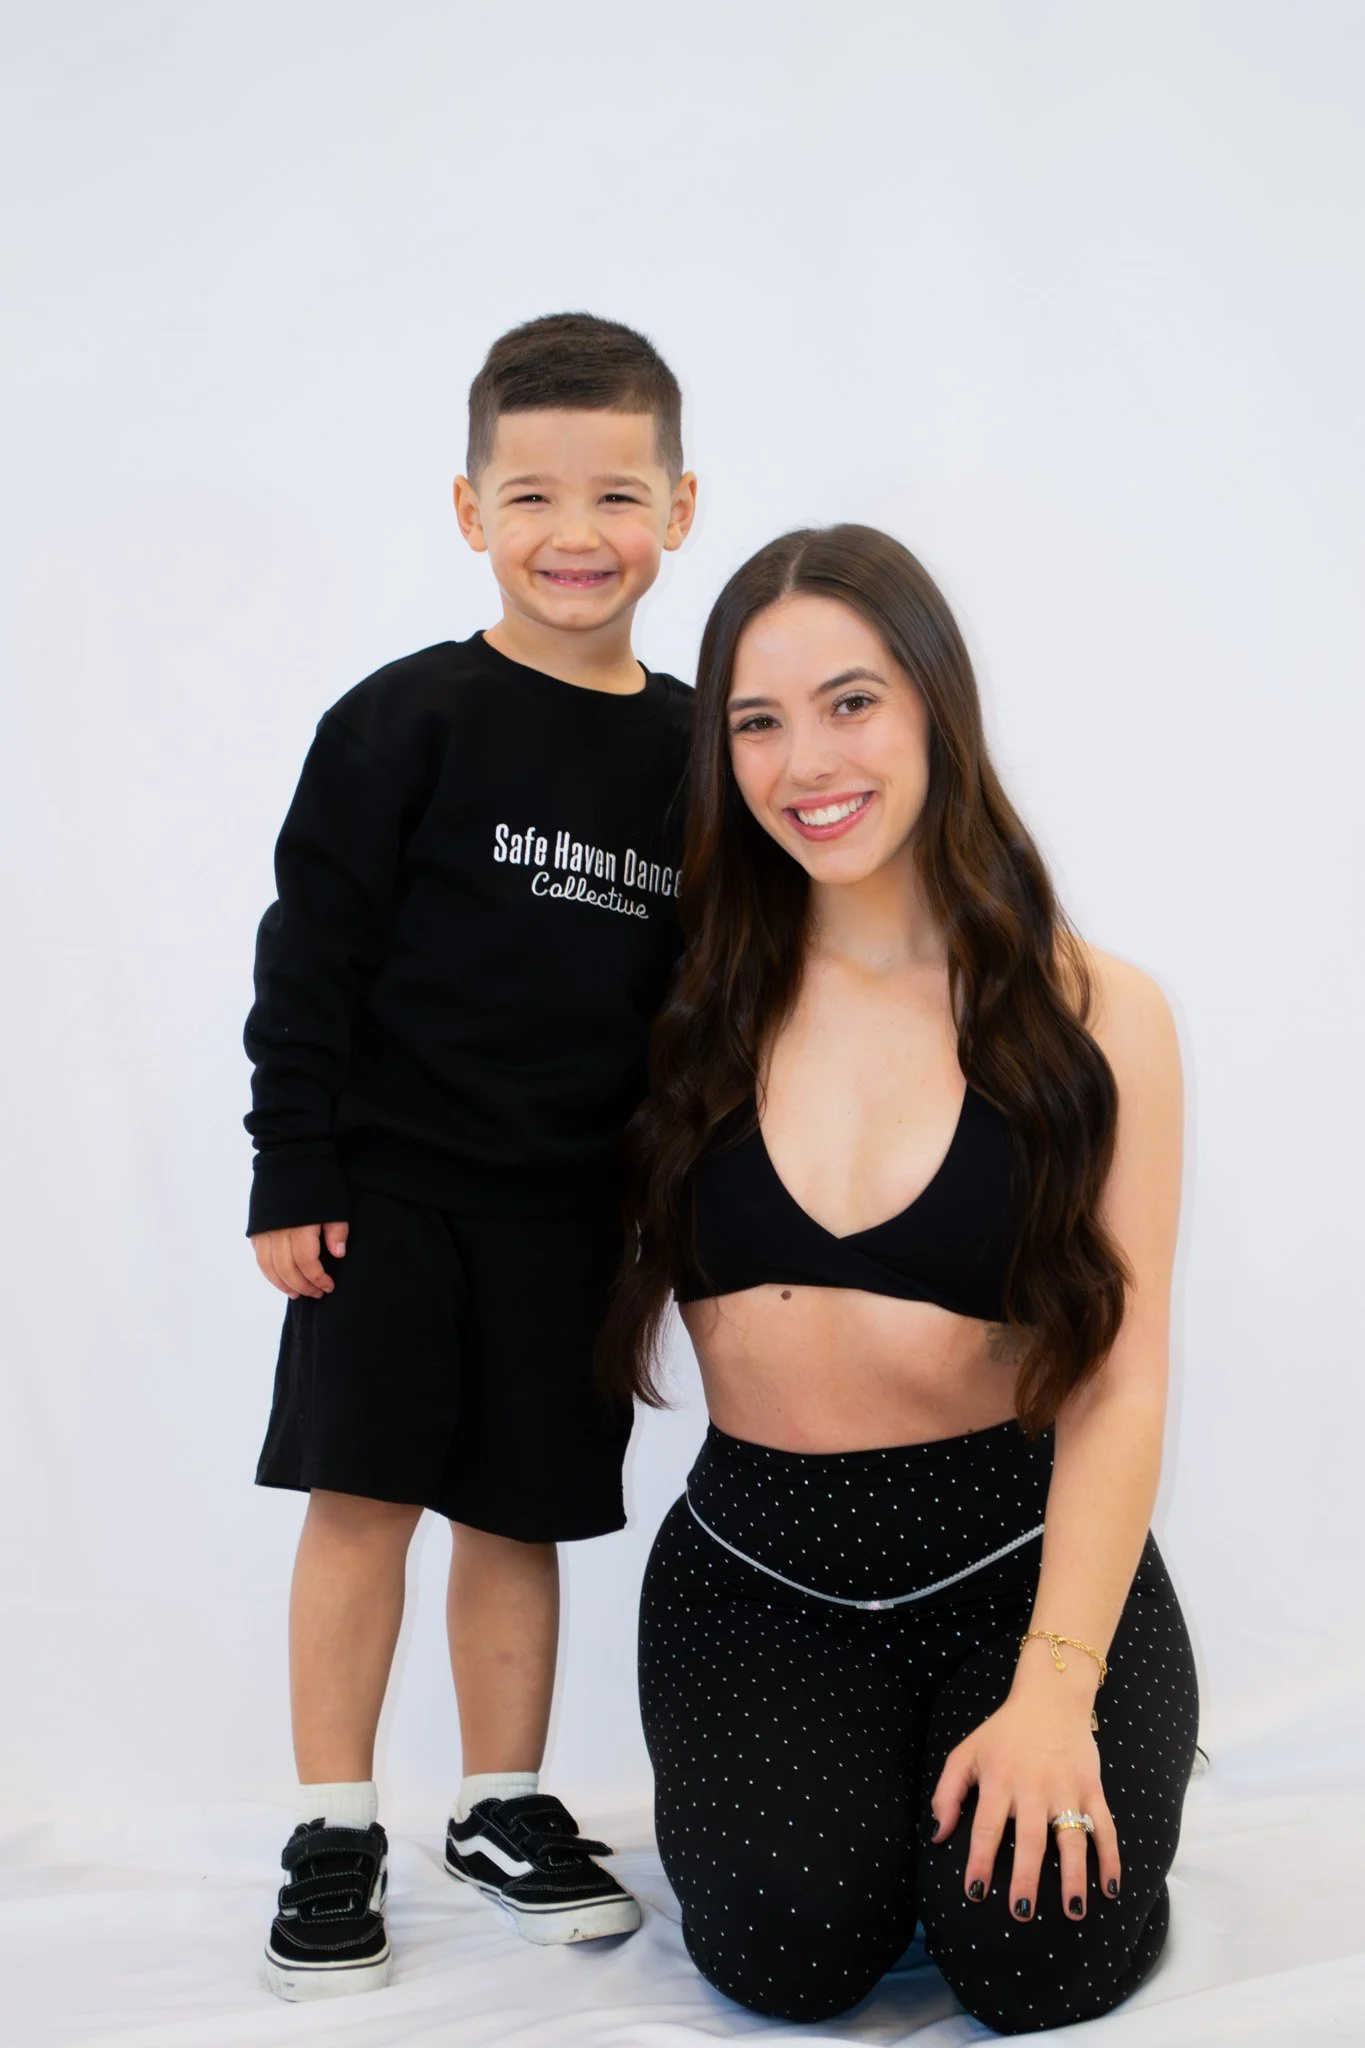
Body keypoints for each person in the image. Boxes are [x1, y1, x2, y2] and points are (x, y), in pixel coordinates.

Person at [599, 524, 1199, 2035]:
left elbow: (1124, 1378)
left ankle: (1103, 1742)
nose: (808, 761)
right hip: (762, 1570)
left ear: (936, 704)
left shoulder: (1096, 1012)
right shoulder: (681, 1000)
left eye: (851, 702)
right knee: (786, 1961)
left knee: (1034, 1965)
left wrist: (1056, 1689)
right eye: (757, 721)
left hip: (1019, 1560)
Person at [243, 312, 697, 1999]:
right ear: (468, 511)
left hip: (576, 1215)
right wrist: (293, 1165)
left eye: (617, 494)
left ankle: (500, 1803)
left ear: (680, 507)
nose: (577, 534)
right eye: (533, 497)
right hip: (389, 1196)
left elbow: (713, 996)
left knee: (520, 1517)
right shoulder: (402, 721)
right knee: (362, 1501)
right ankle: (333, 1826)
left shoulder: (698, 753)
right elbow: (309, 955)